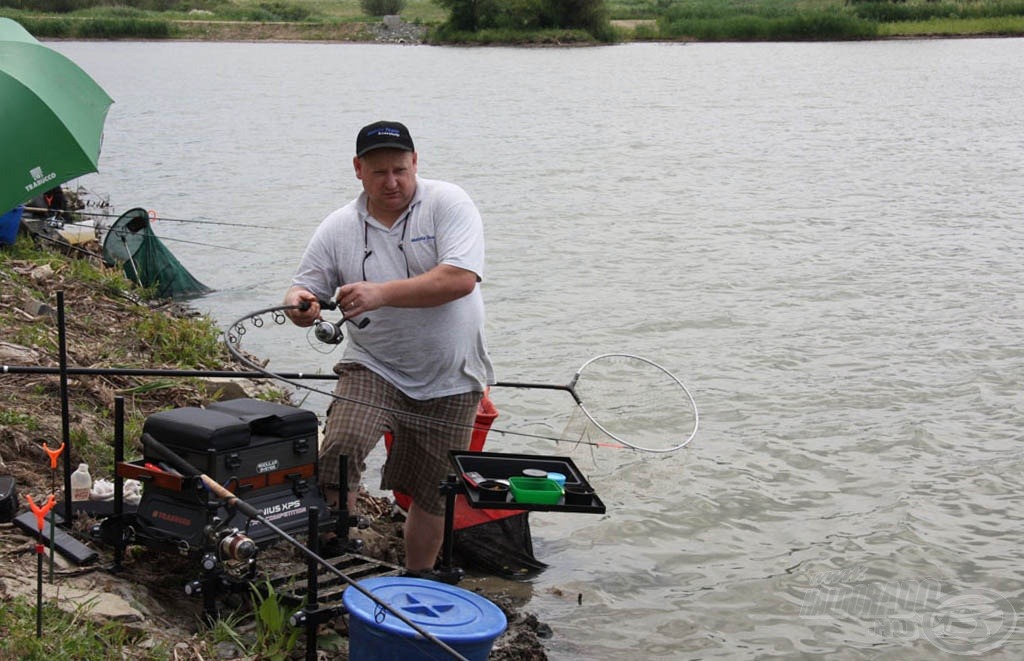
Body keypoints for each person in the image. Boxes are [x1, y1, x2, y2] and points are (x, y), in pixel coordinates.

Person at [283, 121, 494, 576]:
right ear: (358, 170)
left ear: (416, 162)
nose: (392, 181)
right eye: (379, 172)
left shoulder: (448, 202)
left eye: (400, 169)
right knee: (341, 446)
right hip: (373, 364)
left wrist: (380, 293)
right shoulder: (339, 226)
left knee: (434, 490)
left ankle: (418, 580)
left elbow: (459, 279)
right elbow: (306, 286)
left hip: (452, 374)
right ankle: (337, 553)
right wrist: (299, 305)